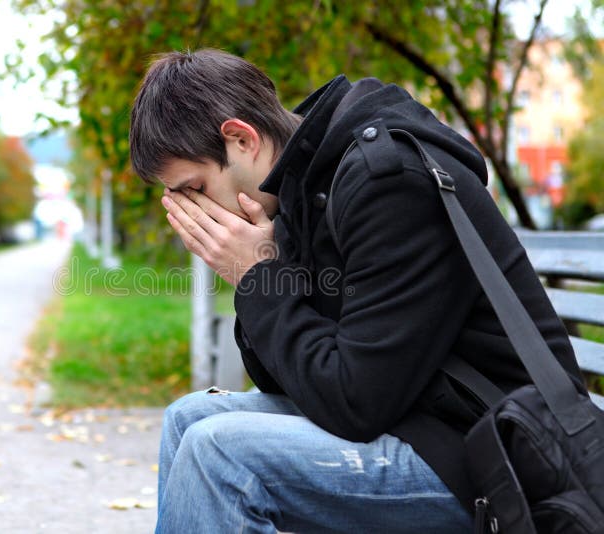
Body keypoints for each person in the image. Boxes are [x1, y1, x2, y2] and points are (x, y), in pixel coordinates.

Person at [128, 49, 584, 533]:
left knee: (217, 454)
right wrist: (261, 273)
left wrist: (257, 276)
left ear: (241, 138)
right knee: (188, 418)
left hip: (497, 456)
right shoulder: (304, 186)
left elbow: (354, 404)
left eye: (195, 188)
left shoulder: (386, 183)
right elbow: (294, 381)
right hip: (416, 420)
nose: (194, 210)